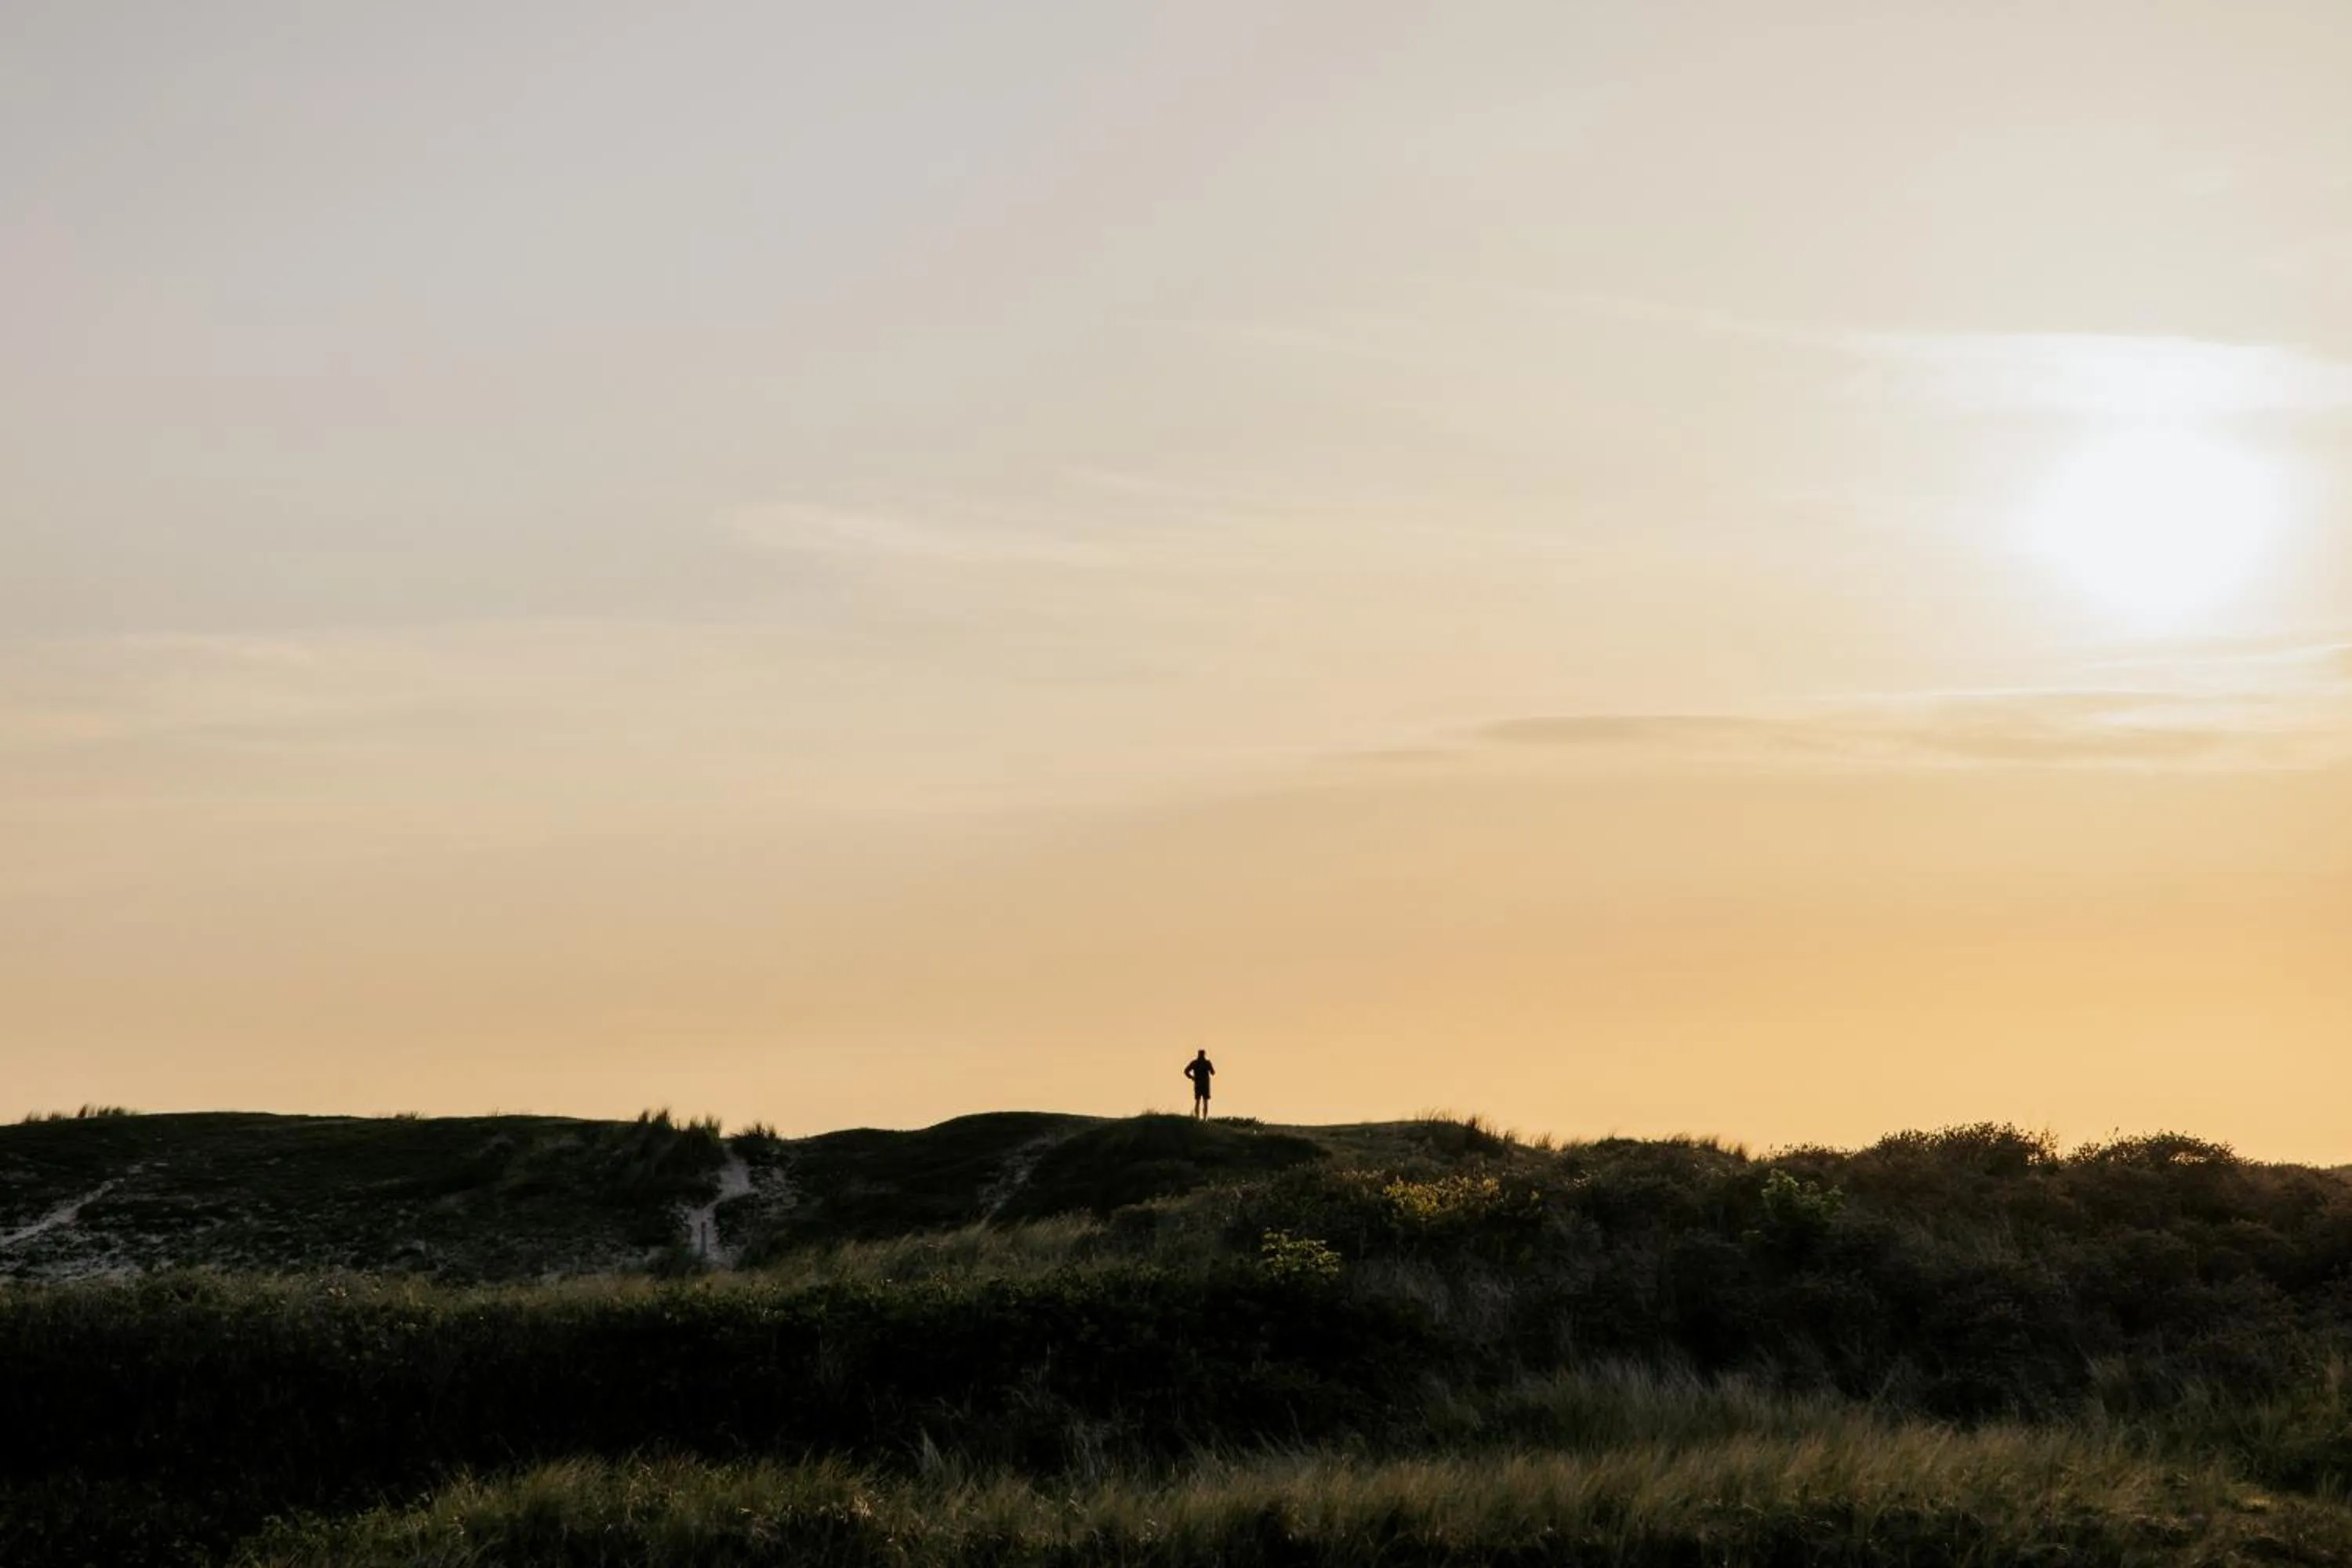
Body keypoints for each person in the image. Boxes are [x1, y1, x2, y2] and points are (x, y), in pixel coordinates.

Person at [1183, 1050, 1216, 1120]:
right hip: (1205, 1084)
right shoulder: (1207, 1063)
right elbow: (1213, 1073)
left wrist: (1192, 1077)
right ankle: (1204, 1119)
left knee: (1198, 1101)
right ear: (1204, 1054)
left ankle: (1197, 1118)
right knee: (1205, 1101)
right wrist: (1192, 1077)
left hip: (1198, 1084)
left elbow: (1186, 1071)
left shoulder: (1194, 1063)